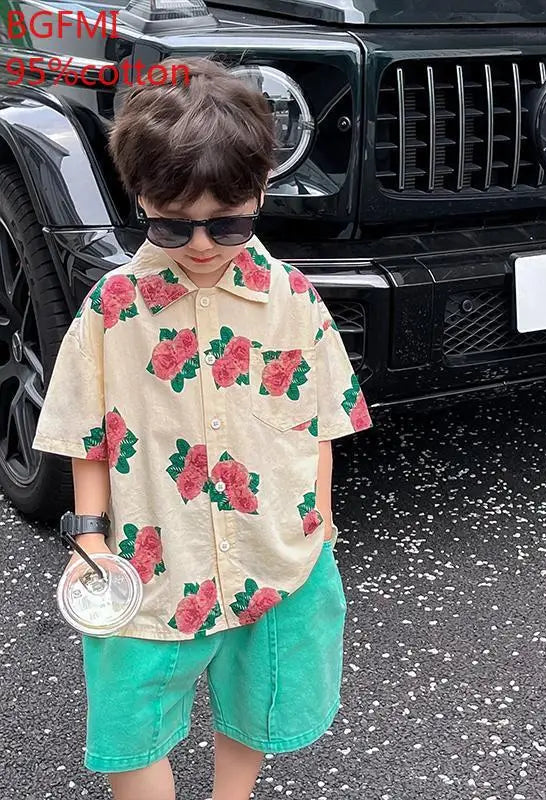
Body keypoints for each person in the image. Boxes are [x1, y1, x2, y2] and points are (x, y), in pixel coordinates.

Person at [32, 55, 373, 800]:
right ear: (139, 199)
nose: (201, 245)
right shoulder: (113, 306)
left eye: (228, 222)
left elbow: (319, 420)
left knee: (258, 701)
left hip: (275, 552)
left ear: (261, 194)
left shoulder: (293, 299)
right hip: (150, 562)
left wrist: (321, 524)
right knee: (128, 726)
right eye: (171, 223)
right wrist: (89, 535)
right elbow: (85, 432)